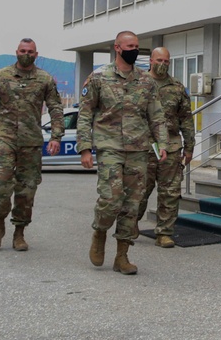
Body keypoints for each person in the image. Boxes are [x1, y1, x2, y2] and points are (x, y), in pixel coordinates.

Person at [77, 31, 168, 275]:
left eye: (137, 46)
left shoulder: (146, 81)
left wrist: (162, 145)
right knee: (111, 198)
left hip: (138, 149)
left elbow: (156, 116)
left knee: (132, 204)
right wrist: (85, 147)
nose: (135, 50)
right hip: (109, 147)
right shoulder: (98, 78)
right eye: (130, 46)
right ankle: (100, 231)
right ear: (117, 48)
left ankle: (122, 255)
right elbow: (85, 114)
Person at [0, 38, 64, 252]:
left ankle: (19, 232)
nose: (26, 54)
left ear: (36, 54)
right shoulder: (1, 76)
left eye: (30, 51)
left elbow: (56, 108)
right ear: (16, 52)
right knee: (1, 185)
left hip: (31, 141)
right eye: (22, 50)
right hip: (5, 138)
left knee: (27, 190)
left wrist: (56, 136)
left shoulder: (45, 79)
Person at [135, 47, 196, 248]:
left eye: (167, 61)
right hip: (144, 146)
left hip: (170, 146)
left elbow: (186, 118)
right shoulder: (138, 83)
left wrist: (189, 147)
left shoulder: (177, 87)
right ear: (151, 61)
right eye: (159, 60)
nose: (163, 64)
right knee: (140, 190)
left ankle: (164, 233)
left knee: (170, 192)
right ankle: (130, 226)